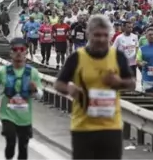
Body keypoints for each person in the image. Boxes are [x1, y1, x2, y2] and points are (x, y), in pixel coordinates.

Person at [54, 14, 135, 160]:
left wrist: (119, 82)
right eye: (97, 35)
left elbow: (132, 83)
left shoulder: (118, 57)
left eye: (105, 35)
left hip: (111, 126)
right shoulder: (77, 57)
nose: (101, 39)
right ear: (88, 34)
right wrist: (70, 89)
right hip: (83, 127)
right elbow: (59, 83)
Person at [0, 38, 43, 160]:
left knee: (23, 148)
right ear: (11, 53)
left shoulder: (32, 73)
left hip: (25, 117)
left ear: (26, 53)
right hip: (7, 115)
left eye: (22, 49)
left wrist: (34, 89)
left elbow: (40, 95)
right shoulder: (3, 71)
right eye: (15, 49)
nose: (18, 52)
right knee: (11, 140)